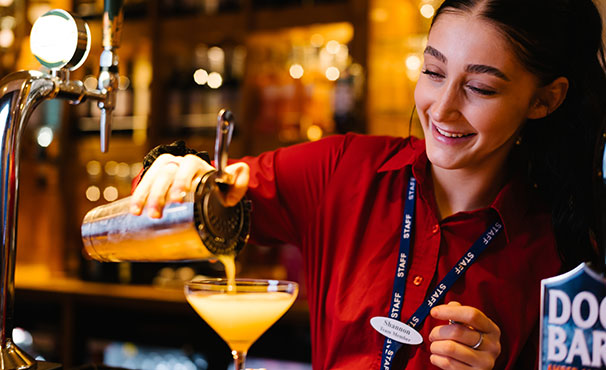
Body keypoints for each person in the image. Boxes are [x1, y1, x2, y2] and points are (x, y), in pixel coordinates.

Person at [129, 0, 606, 368]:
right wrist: (176, 172)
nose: (441, 109)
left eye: (480, 88)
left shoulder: (564, 253)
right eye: (434, 72)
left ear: (544, 99)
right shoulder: (342, 170)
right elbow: (195, 202)